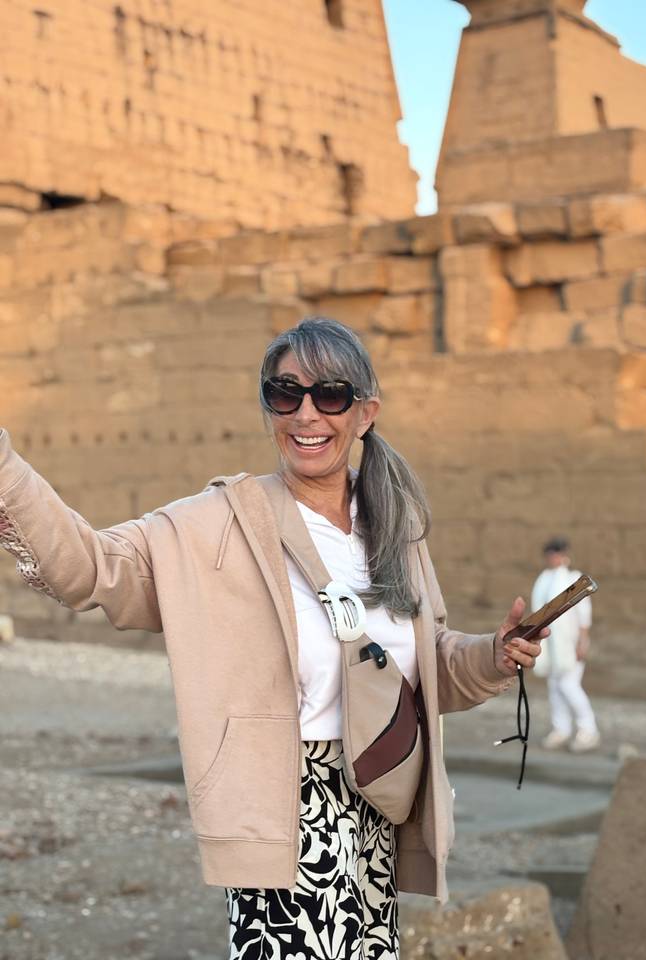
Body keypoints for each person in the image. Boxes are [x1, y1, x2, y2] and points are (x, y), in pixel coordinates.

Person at [0, 317, 546, 960]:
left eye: (330, 393)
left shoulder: (395, 533)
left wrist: (495, 652)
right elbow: (87, 569)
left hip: (378, 799)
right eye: (284, 393)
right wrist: (6, 468)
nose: (305, 413)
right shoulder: (218, 525)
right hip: (283, 804)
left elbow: (425, 667)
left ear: (365, 413)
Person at [532, 537, 600, 753]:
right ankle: (560, 729)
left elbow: (583, 615)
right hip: (551, 647)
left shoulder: (573, 579)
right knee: (555, 688)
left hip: (569, 645)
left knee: (569, 687)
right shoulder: (544, 579)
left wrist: (582, 641)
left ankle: (588, 730)